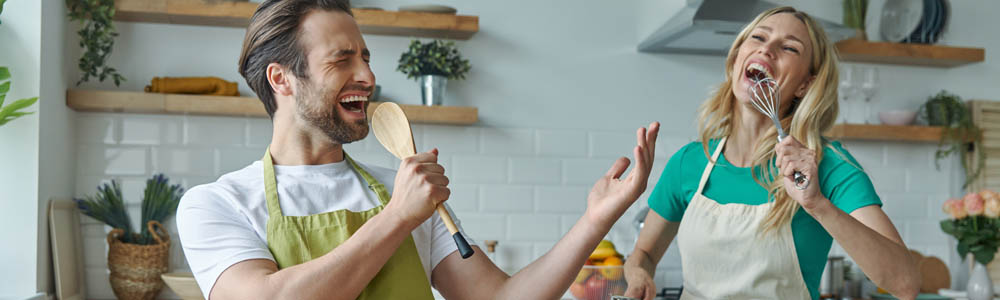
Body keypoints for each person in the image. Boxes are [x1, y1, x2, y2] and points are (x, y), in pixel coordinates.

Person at [176, 0, 661, 299]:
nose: (367, 76)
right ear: (281, 78)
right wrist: (397, 218)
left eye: (365, 57)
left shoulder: (403, 193)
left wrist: (597, 218)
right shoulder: (218, 204)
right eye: (342, 59)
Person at [622, 6, 921, 300]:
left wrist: (817, 204)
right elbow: (644, 253)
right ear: (737, 58)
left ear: (805, 84)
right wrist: (638, 274)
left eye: (789, 48)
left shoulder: (826, 165)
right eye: (758, 38)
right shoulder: (689, 162)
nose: (767, 50)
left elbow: (905, 284)